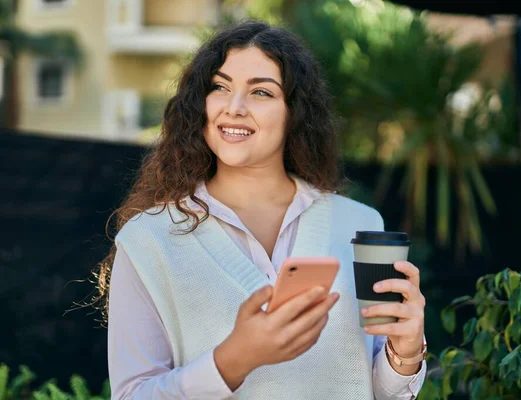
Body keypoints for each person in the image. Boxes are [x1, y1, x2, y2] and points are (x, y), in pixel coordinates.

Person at [98, 20, 427, 399]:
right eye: (220, 87)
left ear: (295, 113)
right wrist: (233, 360)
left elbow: (374, 390)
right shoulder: (147, 239)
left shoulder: (360, 224)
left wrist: (404, 353)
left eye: (260, 92)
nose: (234, 108)